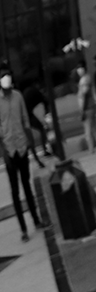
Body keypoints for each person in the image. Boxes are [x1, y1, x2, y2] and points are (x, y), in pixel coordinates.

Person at [0, 73, 40, 238]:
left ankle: (36, 220)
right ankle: (23, 229)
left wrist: (30, 143)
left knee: (27, 186)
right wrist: (3, 152)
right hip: (10, 149)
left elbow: (25, 119)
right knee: (15, 191)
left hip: (22, 145)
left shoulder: (18, 96)